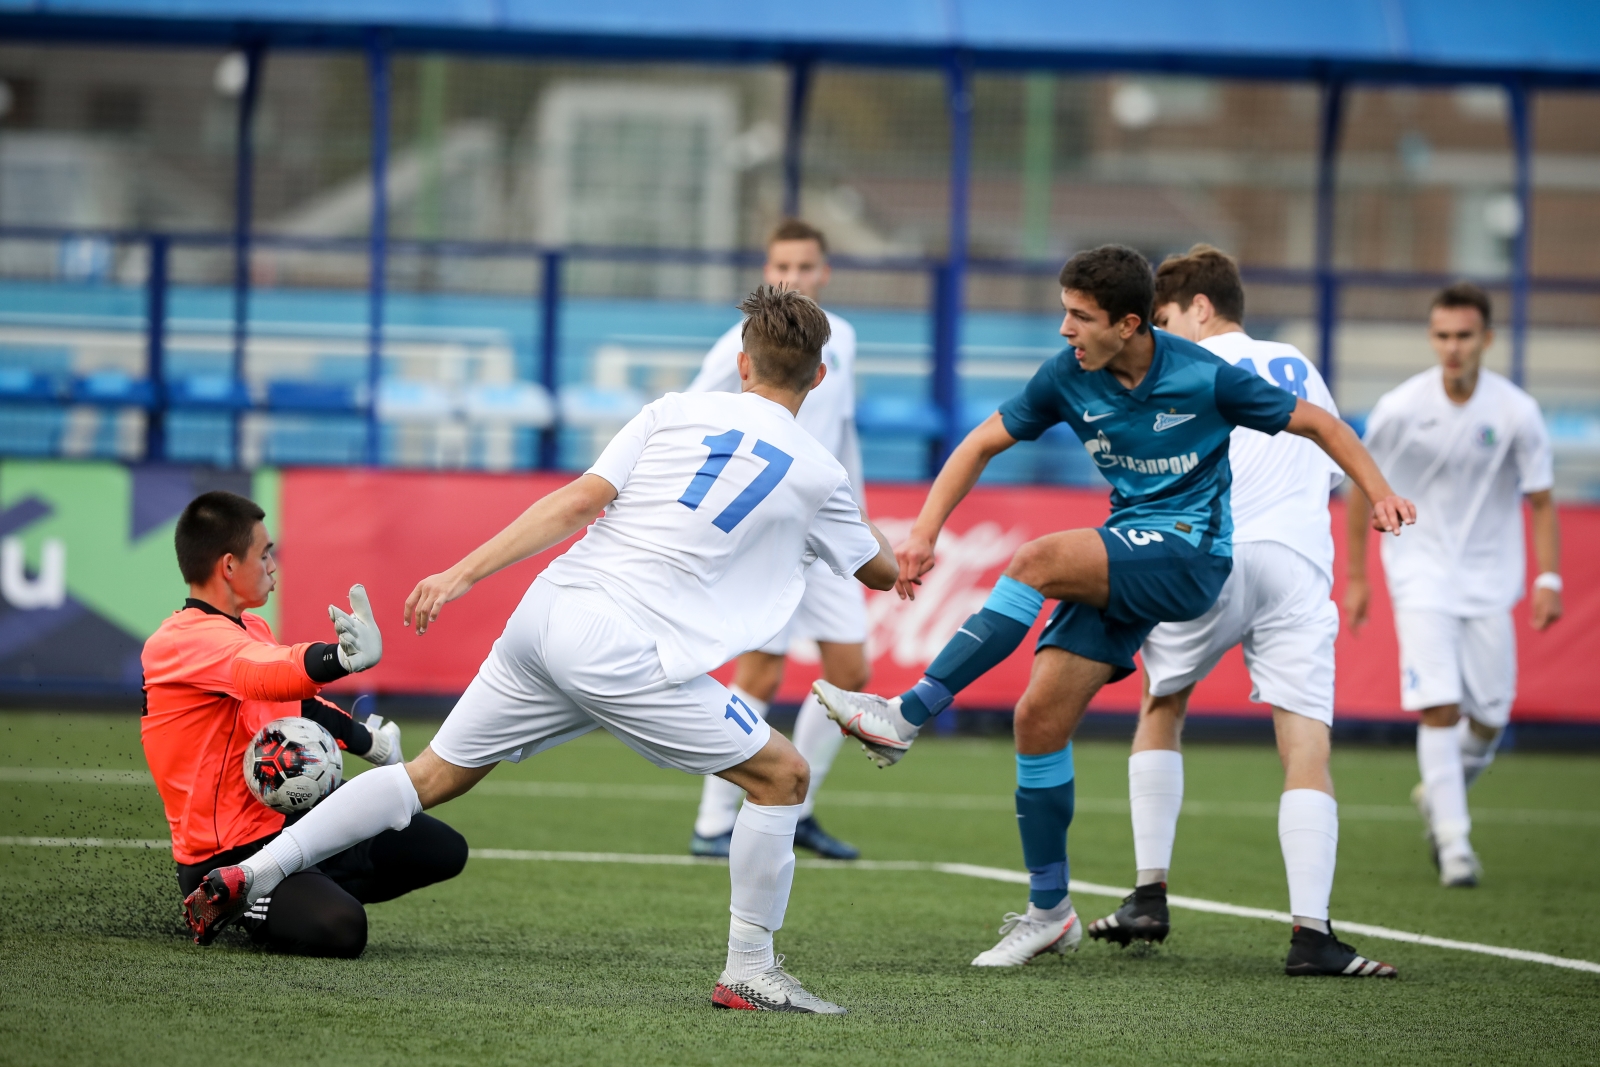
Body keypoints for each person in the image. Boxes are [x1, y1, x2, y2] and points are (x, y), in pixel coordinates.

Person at [182, 287, 898, 1014]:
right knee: (783, 775)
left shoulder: (672, 411)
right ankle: (749, 969)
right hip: (625, 649)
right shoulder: (819, 472)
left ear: (742, 363)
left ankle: (252, 873)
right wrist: (887, 534)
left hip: (549, 610)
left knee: (429, 775)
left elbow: (579, 501)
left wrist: (461, 573)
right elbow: (879, 570)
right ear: (820, 376)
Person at [814, 244, 1415, 968]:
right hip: (1129, 553)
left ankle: (905, 715)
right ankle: (1049, 912)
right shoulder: (1066, 375)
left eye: (1080, 316)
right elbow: (979, 444)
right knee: (1038, 719)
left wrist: (1380, 492)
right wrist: (924, 531)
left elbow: (1322, 425)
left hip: (1192, 555)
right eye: (1064, 312)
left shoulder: (1203, 374)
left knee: (1035, 559)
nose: (1065, 329)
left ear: (1130, 324)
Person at [1084, 245, 1395, 977]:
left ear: (1199, 308)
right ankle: (1312, 934)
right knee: (1305, 743)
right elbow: (1327, 452)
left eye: (1164, 319)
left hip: (1214, 549)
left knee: (1162, 703)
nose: (1158, 335)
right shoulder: (1298, 362)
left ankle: (1148, 896)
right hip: (1298, 565)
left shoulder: (1183, 367)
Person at [143, 490, 467, 957]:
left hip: (287, 820)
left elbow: (297, 702)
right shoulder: (180, 640)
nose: (273, 565)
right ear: (229, 565)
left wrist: (371, 743)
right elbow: (266, 672)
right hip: (228, 854)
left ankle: (306, 886)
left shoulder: (249, 628)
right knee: (342, 930)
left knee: (441, 850)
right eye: (265, 553)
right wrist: (340, 658)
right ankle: (231, 901)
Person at [1346, 282, 1562, 888]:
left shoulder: (1516, 412)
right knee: (1439, 704)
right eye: (1442, 335)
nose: (1453, 347)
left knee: (1490, 718)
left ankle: (1438, 794)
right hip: (1419, 573)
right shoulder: (1400, 408)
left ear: (1486, 339)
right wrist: (1358, 576)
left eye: (1464, 336)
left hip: (1491, 579)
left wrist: (1548, 577)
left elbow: (1542, 500)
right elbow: (1361, 487)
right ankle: (1454, 843)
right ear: (1431, 337)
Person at [685, 219, 866, 861]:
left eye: (805, 266)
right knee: (762, 669)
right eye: (782, 266)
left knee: (851, 673)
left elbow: (843, 433)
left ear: (825, 272)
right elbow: (693, 413)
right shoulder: (741, 344)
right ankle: (714, 821)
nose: (793, 277)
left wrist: (859, 520)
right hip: (768, 529)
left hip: (829, 526)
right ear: (768, 272)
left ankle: (800, 808)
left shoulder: (842, 338)